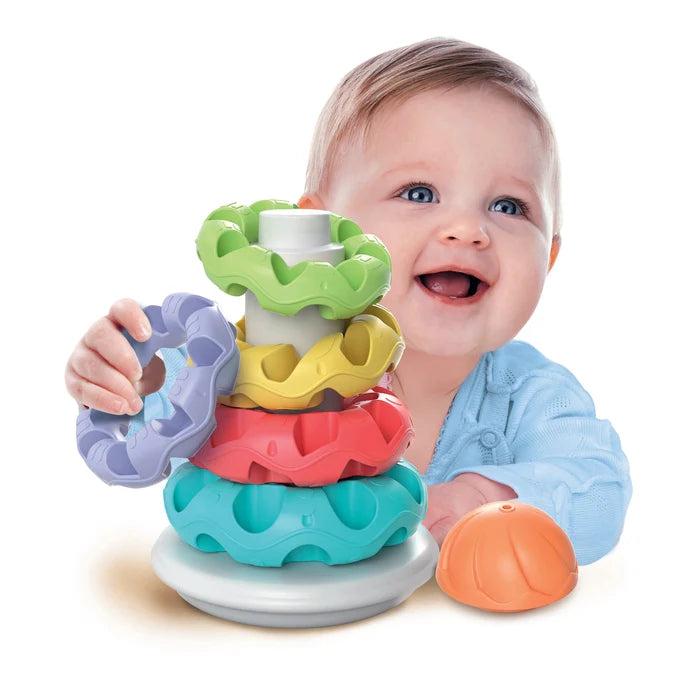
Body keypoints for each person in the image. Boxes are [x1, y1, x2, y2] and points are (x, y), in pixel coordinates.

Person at [65, 37, 631, 565]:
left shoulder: (532, 395)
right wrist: (131, 380)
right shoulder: (268, 365)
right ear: (318, 237)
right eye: (419, 193)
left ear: (549, 257)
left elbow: (601, 493)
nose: (467, 229)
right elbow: (164, 434)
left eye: (508, 206)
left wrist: (482, 498)